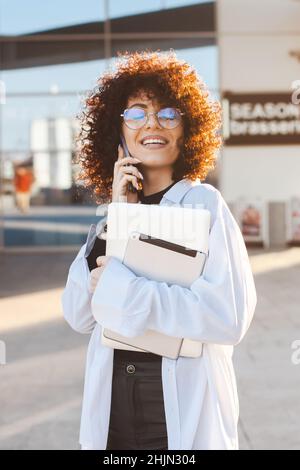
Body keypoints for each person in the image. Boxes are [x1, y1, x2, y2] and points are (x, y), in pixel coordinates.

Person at [61, 50, 257, 450]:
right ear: (117, 134)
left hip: (176, 406)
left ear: (186, 130)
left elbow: (228, 317)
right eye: (135, 113)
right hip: (115, 404)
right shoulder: (111, 216)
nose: (152, 123)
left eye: (168, 113)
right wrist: (117, 215)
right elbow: (78, 315)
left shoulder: (203, 205)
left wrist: (122, 291)